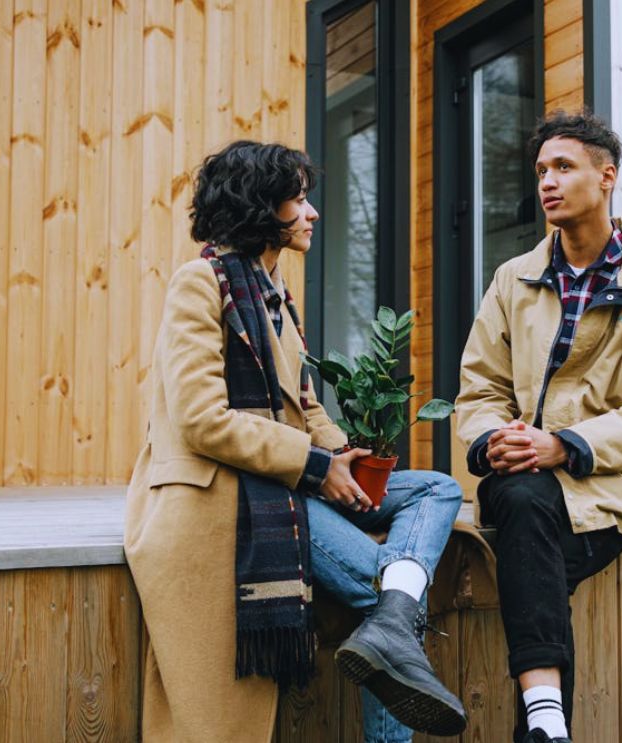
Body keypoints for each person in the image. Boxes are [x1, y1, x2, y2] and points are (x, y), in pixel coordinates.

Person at [124, 140, 467, 743]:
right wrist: (314, 467)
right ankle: (395, 616)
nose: (311, 214)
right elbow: (203, 420)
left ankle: (393, 617)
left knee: (435, 488)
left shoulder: (273, 294)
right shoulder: (200, 285)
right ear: (262, 209)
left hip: (287, 481)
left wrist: (341, 456)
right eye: (299, 200)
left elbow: (304, 405)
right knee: (389, 597)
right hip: (230, 495)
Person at [454, 110, 622, 743]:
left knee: (526, 544)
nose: (547, 182)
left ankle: (542, 719)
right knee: (522, 499)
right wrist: (494, 439)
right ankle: (548, 724)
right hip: (525, 476)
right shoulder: (514, 278)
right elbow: (480, 386)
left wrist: (564, 444)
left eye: (563, 167)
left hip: (619, 482)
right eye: (541, 170)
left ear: (607, 176)